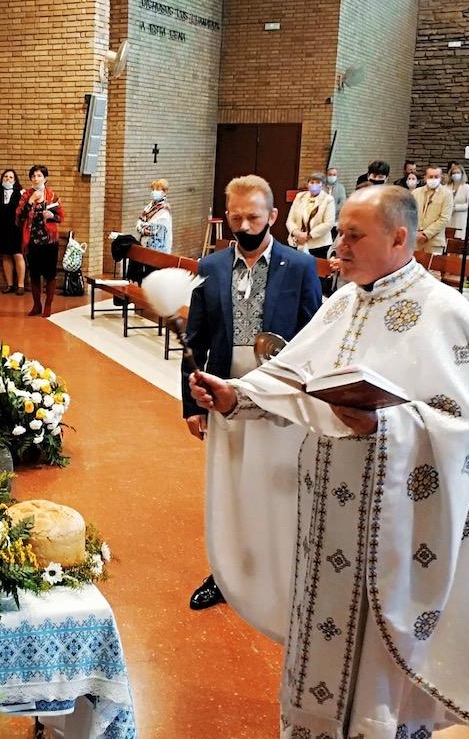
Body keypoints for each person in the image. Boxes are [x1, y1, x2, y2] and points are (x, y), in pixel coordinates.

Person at [189, 184, 469, 737]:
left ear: (399, 237)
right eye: (339, 234)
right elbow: (292, 376)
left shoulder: (446, 314)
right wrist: (238, 396)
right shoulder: (344, 301)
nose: (339, 247)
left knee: (373, 661)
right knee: (319, 644)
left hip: (392, 530)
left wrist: (386, 423)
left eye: (354, 235)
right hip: (325, 519)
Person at [181, 174, 322, 611]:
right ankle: (225, 571)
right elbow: (195, 338)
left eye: (254, 217)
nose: (244, 226)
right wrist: (192, 403)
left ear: (273, 216)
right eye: (236, 217)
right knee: (228, 483)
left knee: (277, 482)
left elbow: (316, 336)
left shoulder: (298, 267)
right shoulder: (211, 267)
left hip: (278, 395)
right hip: (224, 390)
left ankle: (280, 567)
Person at [18, 165, 63, 318]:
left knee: (50, 274)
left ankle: (48, 305)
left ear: (45, 178)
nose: (36, 178)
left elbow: (60, 216)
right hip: (32, 240)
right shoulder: (26, 195)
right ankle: (37, 305)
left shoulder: (51, 195)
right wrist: (30, 201)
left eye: (39, 176)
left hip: (49, 241)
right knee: (35, 273)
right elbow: (19, 217)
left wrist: (51, 215)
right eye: (33, 176)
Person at [285, 172, 335, 258]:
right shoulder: (300, 197)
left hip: (318, 245)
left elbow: (328, 223)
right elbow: (290, 220)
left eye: (318, 183)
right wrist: (297, 233)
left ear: (322, 185)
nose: (314, 185)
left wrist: (308, 236)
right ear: (308, 184)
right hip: (297, 241)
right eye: (312, 182)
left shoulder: (328, 199)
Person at [0, 169, 25, 294]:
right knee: (5, 255)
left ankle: (20, 285)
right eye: (5, 177)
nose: (8, 179)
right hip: (2, 229)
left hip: (16, 229)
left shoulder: (21, 193)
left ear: (15, 180)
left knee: (17, 254)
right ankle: (10, 284)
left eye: (11, 177)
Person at [413, 165, 453, 253]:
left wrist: (426, 234)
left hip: (435, 241)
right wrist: (415, 232)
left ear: (441, 178)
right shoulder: (416, 193)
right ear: (425, 178)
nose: (433, 179)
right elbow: (410, 214)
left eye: (436, 177)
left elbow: (445, 218)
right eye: (431, 177)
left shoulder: (447, 194)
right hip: (415, 239)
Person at [135, 178, 174, 252]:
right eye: (153, 189)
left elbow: (152, 229)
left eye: (158, 190)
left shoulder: (164, 209)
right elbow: (139, 221)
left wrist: (141, 226)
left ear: (164, 192)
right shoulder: (150, 206)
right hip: (145, 246)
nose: (154, 192)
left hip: (157, 249)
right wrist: (141, 226)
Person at [446, 162, 469, 234]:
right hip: (448, 216)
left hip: (461, 217)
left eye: (458, 172)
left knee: (459, 236)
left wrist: (456, 207)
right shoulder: (446, 187)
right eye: (453, 173)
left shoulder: (467, 187)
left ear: (462, 174)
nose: (455, 175)